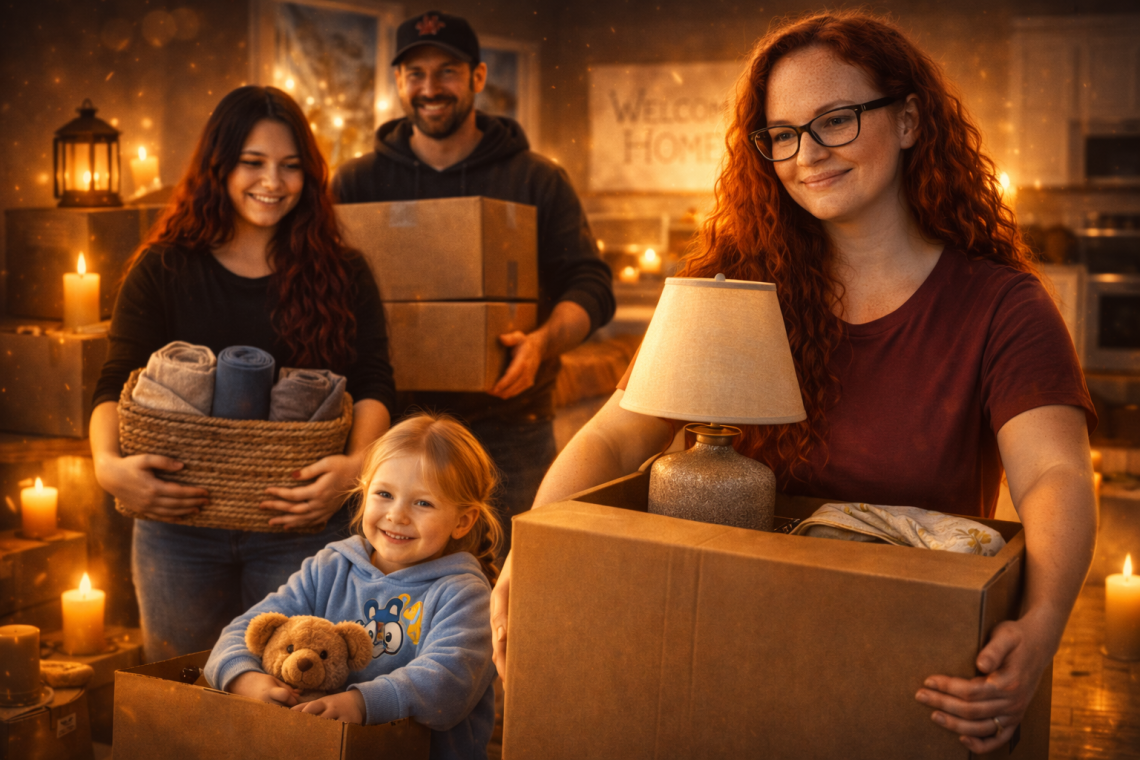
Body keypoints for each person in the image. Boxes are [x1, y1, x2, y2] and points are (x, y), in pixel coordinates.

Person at [489, 11, 1098, 755]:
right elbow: (617, 436)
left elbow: (1056, 474)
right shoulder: (732, 289)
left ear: (909, 121)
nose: (807, 153)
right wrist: (534, 555)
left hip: (904, 665)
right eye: (782, 133)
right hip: (712, 647)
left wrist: (1040, 628)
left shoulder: (1003, 306)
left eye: (836, 120)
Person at [90, 86, 396, 661]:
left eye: (290, 167)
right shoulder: (164, 267)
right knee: (183, 691)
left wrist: (355, 470)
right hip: (177, 527)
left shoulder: (342, 272)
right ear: (219, 167)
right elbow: (115, 380)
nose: (272, 183)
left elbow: (374, 381)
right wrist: (107, 468)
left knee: (293, 692)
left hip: (304, 524)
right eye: (252, 163)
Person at [332, 11, 615, 555]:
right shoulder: (356, 183)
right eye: (415, 73)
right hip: (393, 430)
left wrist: (541, 343)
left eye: (448, 71)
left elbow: (591, 285)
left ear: (479, 78)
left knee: (517, 580)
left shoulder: (534, 179)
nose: (430, 87)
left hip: (508, 428)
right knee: (393, 595)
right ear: (397, 82)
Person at [204, 413, 501, 760]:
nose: (397, 515)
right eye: (384, 494)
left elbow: (448, 682)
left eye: (423, 503)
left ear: (462, 521)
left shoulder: (465, 594)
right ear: (364, 493)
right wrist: (245, 679)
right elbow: (249, 629)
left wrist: (361, 703)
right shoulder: (331, 568)